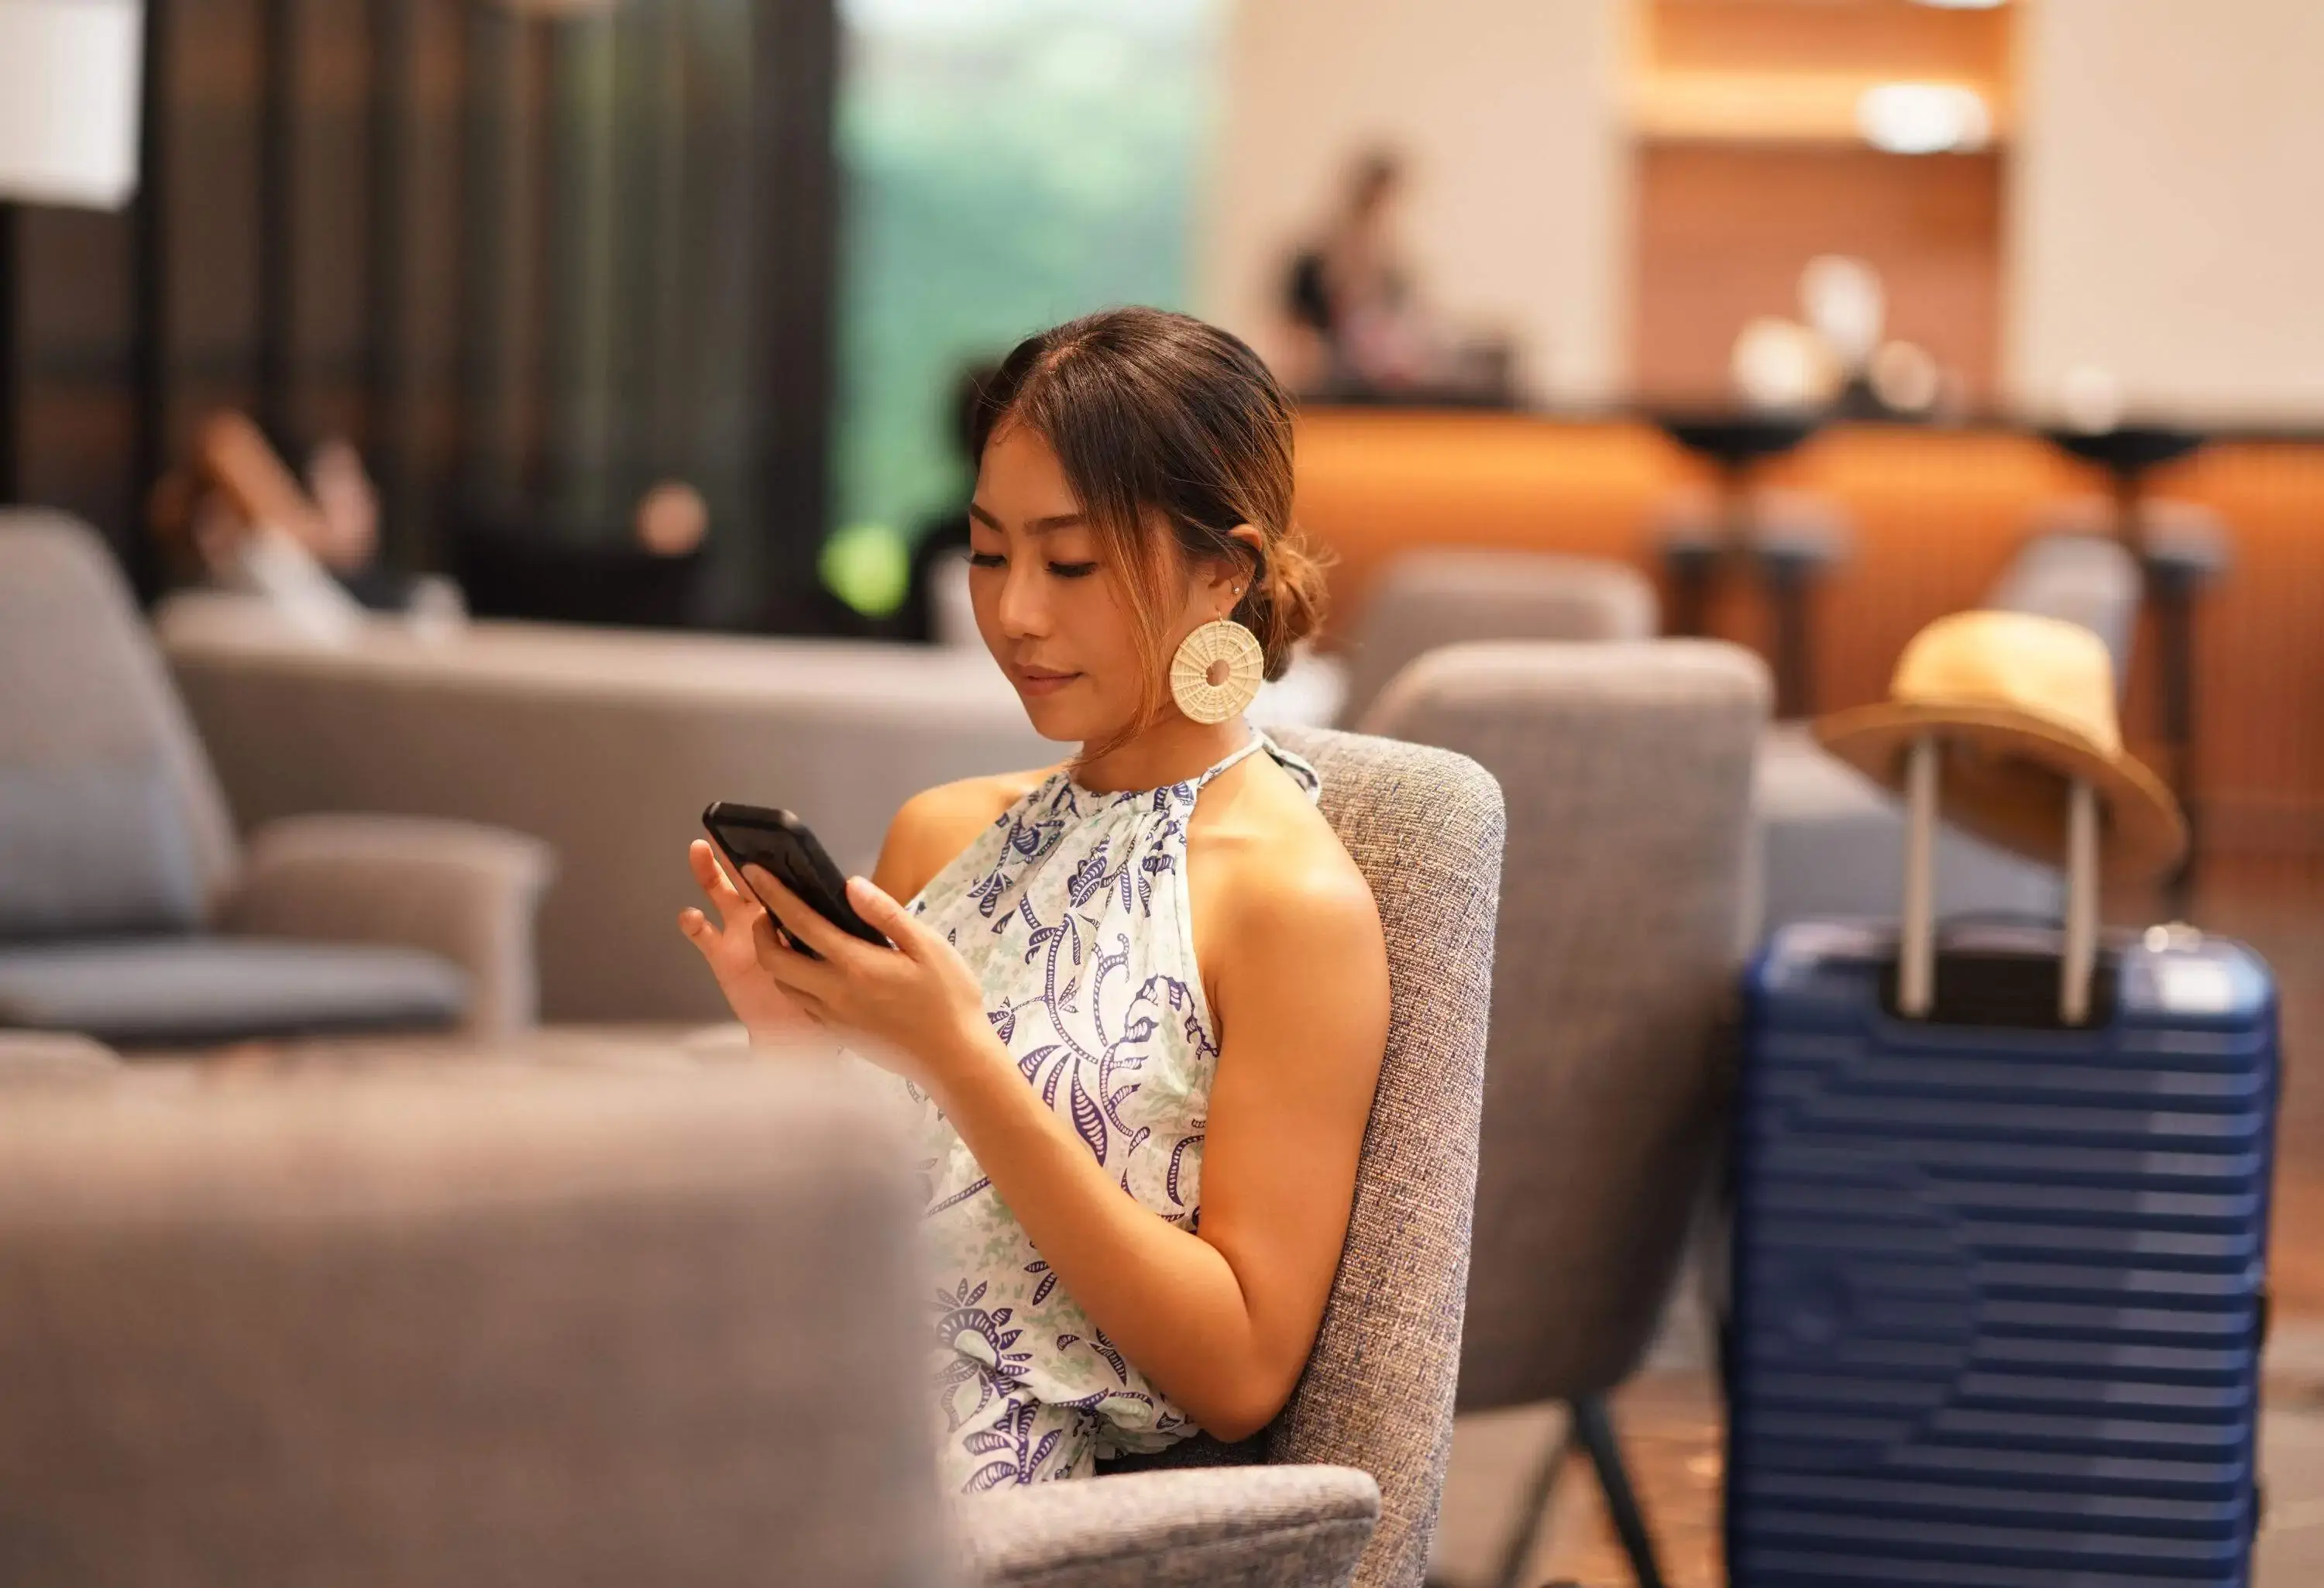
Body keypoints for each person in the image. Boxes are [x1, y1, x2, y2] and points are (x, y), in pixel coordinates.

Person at [677, 307, 1391, 1491]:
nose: (1014, 612)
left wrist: (960, 1059)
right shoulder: (945, 831)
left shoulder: (1288, 903)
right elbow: (853, 1234)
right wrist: (789, 1043)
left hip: (978, 1496)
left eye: (1071, 562)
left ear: (1227, 567)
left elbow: (1241, 1367)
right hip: (799, 1389)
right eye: (989, 551)